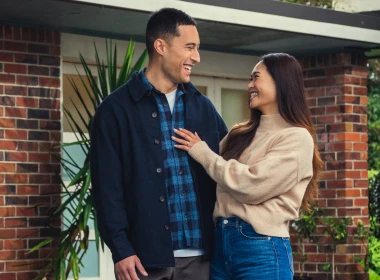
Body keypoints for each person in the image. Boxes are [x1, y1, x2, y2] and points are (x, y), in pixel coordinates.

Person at [90, 7, 228, 280]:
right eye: (189, 47)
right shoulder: (114, 110)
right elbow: (107, 188)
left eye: (197, 48)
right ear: (161, 46)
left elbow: (229, 168)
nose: (196, 57)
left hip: (202, 258)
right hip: (142, 260)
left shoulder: (204, 107)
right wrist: (121, 249)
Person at [172, 53, 323, 280]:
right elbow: (213, 174)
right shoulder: (239, 134)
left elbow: (251, 185)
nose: (250, 85)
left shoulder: (297, 138)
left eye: (256, 78)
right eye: (250, 79)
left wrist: (202, 152)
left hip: (262, 248)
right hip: (220, 244)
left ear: (280, 81)